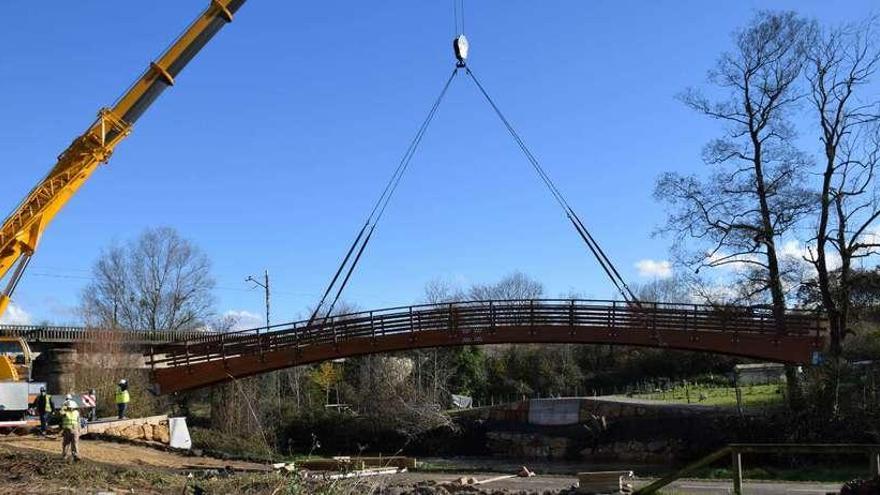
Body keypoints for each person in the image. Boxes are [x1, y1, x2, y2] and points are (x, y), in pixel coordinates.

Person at [60, 394, 80, 462]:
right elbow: (78, 421)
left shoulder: (66, 412)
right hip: (74, 429)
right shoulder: (76, 412)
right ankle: (75, 455)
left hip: (69, 430)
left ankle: (66, 456)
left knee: (67, 443)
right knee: (74, 443)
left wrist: (63, 407)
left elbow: (61, 413)